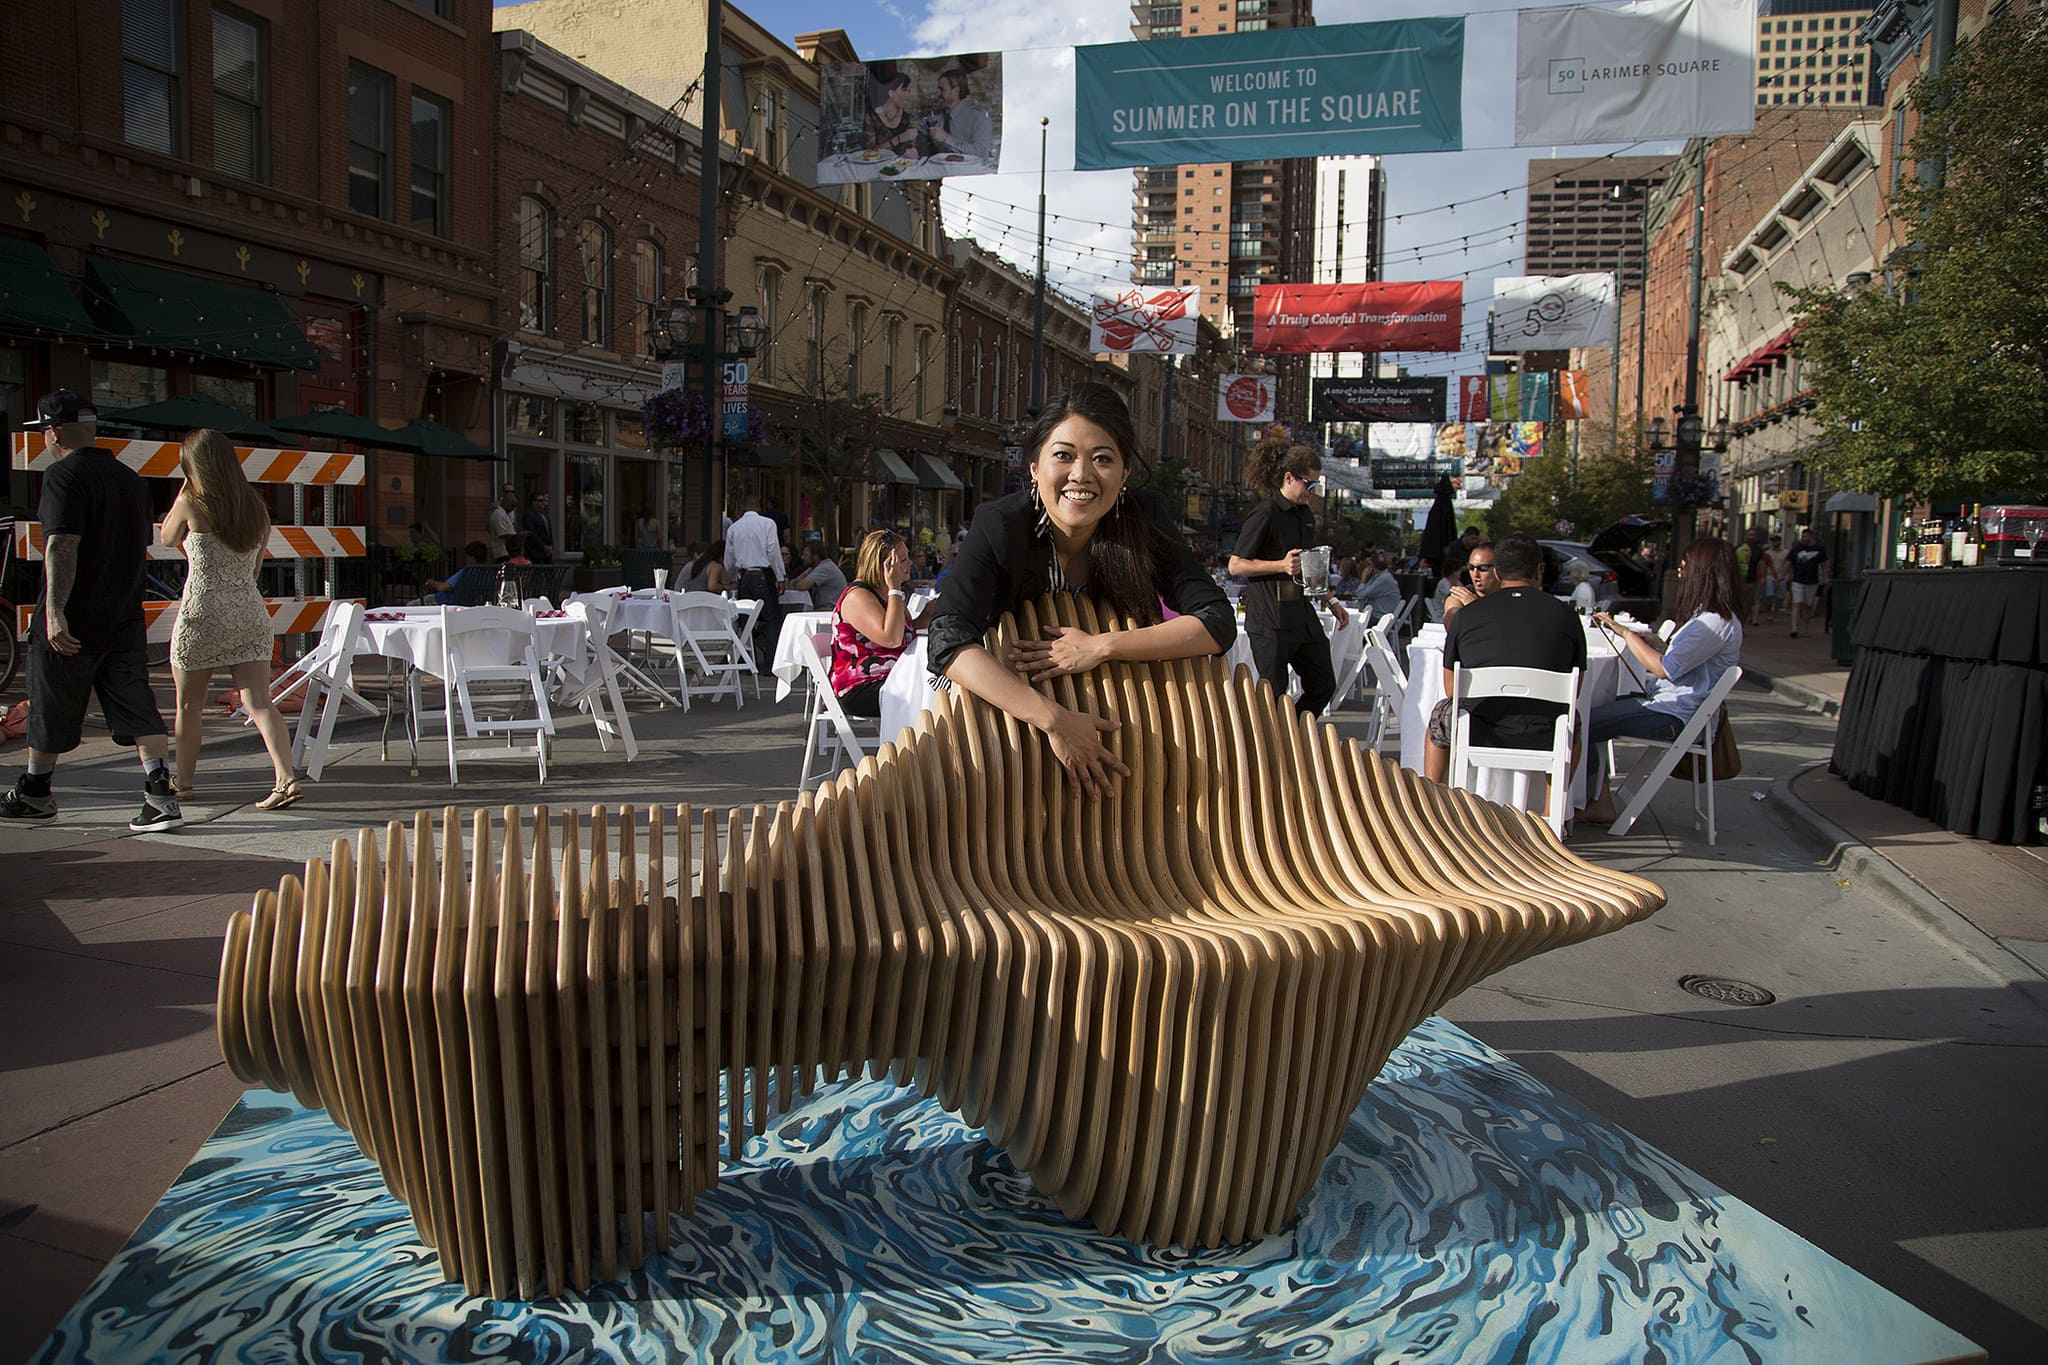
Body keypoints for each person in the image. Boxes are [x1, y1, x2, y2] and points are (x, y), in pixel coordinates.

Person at [927, 382, 1235, 799]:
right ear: (1035, 467)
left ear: (1124, 474)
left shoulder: (1143, 520)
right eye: (1063, 455)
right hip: (1004, 712)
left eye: (1102, 459)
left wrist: (1102, 645)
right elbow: (948, 639)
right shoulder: (1000, 525)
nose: (1081, 474)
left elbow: (1216, 623)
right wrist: (1055, 720)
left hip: (1119, 715)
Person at [2, 391, 181, 829]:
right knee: (137, 702)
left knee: (51, 701)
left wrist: (55, 610)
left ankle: (37, 792)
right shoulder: (130, 479)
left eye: (44, 430)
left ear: (54, 431)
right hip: (122, 612)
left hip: (76, 614)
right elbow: (138, 546)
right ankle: (160, 793)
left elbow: (62, 542)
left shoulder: (63, 476)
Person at [160, 429, 302, 811]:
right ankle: (285, 778)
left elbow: (166, 537)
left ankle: (184, 783)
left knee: (189, 706)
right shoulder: (255, 507)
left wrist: (181, 494)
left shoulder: (191, 500)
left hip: (202, 613)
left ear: (193, 466)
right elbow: (254, 568)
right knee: (259, 702)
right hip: (248, 612)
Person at [1579, 538, 1745, 825]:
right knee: (1594, 710)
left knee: (1584, 723)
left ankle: (1598, 803)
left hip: (1674, 714)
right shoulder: (1711, 617)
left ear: (1703, 571)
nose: (1680, 570)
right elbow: (1683, 660)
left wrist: (1626, 634)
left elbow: (1663, 669)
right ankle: (1598, 799)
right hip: (1673, 707)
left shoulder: (1713, 622)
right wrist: (1655, 641)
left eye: (1686, 564)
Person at [1424, 534, 1586, 786]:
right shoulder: (1566, 616)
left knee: (1441, 714)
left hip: (1478, 730)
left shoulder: (1467, 617)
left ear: (1497, 574)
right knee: (1572, 720)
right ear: (1539, 571)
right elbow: (1574, 690)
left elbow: (1451, 689)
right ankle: (1551, 811)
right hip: (1545, 733)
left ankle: (1431, 799)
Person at [1228, 443, 1348, 716]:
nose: (1312, 491)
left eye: (1317, 485)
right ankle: (1275, 749)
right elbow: (1235, 564)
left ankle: (1291, 734)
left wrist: (1331, 600)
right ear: (1289, 478)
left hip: (1301, 616)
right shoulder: (1265, 513)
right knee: (1273, 696)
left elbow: (1308, 567)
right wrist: (1279, 565)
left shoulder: (1305, 515)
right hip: (1270, 620)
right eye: (1309, 484)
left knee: (1323, 685)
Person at [829, 531, 937, 718]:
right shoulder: (858, 596)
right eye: (902, 560)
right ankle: (916, 743)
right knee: (934, 692)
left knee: (942, 684)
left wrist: (927, 614)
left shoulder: (888, 594)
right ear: (883, 566)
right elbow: (891, 639)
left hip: (893, 676)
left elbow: (904, 632)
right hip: (861, 686)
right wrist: (894, 588)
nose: (909, 564)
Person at [724, 492, 787, 658]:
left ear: (743, 508)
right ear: (759, 508)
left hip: (744, 577)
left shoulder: (733, 528)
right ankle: (770, 663)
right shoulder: (767, 524)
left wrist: (732, 578)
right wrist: (780, 576)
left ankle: (747, 661)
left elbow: (728, 558)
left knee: (746, 620)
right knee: (772, 619)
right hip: (762, 575)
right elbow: (773, 551)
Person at [925, 67, 995, 161]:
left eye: (942, 90)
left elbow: (981, 152)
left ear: (956, 91)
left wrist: (946, 138)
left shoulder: (979, 116)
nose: (937, 94)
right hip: (941, 167)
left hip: (969, 170)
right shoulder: (936, 115)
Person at [1440, 540, 1498, 629]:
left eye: (1483, 568)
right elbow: (1452, 626)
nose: (1475, 574)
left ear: (1497, 569)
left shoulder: (1509, 595)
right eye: (1470, 567)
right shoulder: (1460, 595)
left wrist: (1475, 606)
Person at [864, 72, 920, 159]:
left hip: (902, 168)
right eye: (904, 90)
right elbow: (869, 153)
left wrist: (912, 151)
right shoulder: (872, 118)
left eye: (909, 91)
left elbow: (911, 146)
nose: (907, 96)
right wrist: (899, 138)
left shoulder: (908, 118)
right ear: (891, 92)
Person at [425, 541, 496, 606]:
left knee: (415, 603)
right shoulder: (490, 573)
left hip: (448, 601)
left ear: (472, 558)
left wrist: (430, 582)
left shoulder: (467, 572)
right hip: (473, 603)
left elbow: (442, 587)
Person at [1787, 526, 1827, 637]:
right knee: (1797, 603)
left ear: (1812, 537)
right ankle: (1794, 629)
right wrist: (1789, 575)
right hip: (1798, 580)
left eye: (1806, 536)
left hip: (1812, 581)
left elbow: (1824, 565)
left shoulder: (1819, 550)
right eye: (1803, 536)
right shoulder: (1796, 549)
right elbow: (1789, 562)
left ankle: (1805, 628)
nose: (1804, 539)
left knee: (1808, 605)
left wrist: (1826, 577)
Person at [791, 540, 849, 609]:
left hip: (831, 609)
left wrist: (796, 583)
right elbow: (792, 583)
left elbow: (802, 586)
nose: (802, 557)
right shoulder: (813, 567)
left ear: (816, 556)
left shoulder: (825, 567)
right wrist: (796, 582)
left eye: (805, 555)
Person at [1355, 550, 1404, 624]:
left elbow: (1363, 595)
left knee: (1354, 621)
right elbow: (1360, 594)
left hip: (1380, 616)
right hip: (1380, 614)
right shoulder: (1378, 577)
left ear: (1372, 566)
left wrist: (1363, 579)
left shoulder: (1383, 579)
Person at [486, 484, 520, 561]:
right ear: (505, 502)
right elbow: (501, 533)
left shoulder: (505, 513)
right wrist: (516, 537)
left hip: (509, 551)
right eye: (511, 506)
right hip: (502, 552)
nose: (512, 509)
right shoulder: (498, 514)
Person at [1761, 535, 1790, 619]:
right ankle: (1769, 611)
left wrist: (1786, 575)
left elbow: (1788, 565)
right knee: (1769, 595)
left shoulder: (1786, 553)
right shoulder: (1767, 553)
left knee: (1779, 597)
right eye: (1773, 541)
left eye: (1776, 541)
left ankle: (1775, 613)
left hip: (1782, 576)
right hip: (1770, 576)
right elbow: (1764, 565)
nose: (1775, 543)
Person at [522, 491, 554, 562]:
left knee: (549, 571)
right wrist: (543, 547)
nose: (543, 503)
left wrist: (551, 546)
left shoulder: (544, 514)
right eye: (540, 500)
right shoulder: (529, 515)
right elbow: (532, 533)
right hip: (535, 552)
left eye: (543, 500)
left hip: (547, 552)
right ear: (533, 502)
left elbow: (549, 531)